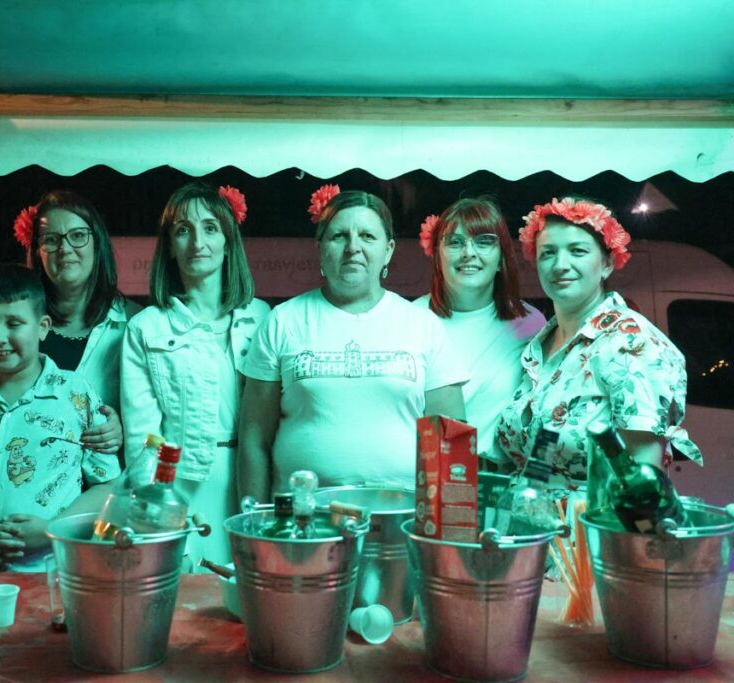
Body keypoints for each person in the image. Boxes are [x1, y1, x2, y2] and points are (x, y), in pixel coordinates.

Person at [239, 186, 468, 502]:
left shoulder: (423, 325)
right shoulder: (283, 322)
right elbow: (254, 441)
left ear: (388, 250)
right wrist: (255, 519)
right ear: (320, 248)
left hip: (402, 516)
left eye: (367, 236)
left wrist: (449, 524)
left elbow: (451, 441)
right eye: (339, 236)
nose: (353, 247)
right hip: (303, 517)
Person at [495, 196, 702, 492]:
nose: (560, 265)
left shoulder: (632, 343)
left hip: (595, 520)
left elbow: (642, 481)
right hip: (530, 518)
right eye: (548, 253)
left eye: (577, 251)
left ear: (607, 263)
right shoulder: (540, 346)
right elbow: (539, 457)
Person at [0, 264, 120, 570]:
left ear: (42, 327)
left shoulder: (75, 394)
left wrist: (53, 530)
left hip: (56, 573)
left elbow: (107, 486)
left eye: (14, 324)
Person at [120, 182, 269, 569]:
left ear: (228, 241)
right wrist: (165, 521)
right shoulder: (147, 328)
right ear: (169, 245)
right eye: (183, 230)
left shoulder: (262, 318)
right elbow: (143, 443)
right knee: (193, 596)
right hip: (183, 487)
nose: (197, 242)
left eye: (210, 228)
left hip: (256, 480)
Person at [0, 190, 136, 455]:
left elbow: (148, 411)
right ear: (38, 251)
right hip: (18, 468)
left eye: (77, 236)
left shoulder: (134, 323)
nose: (65, 249)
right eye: (51, 239)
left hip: (98, 474)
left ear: (97, 243)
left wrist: (125, 426)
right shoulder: (9, 316)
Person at [412, 197, 546, 466]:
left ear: (501, 259)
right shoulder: (411, 320)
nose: (468, 253)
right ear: (437, 256)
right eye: (455, 242)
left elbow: (545, 412)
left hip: (502, 479)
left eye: (484, 242)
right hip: (427, 475)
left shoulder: (529, 323)